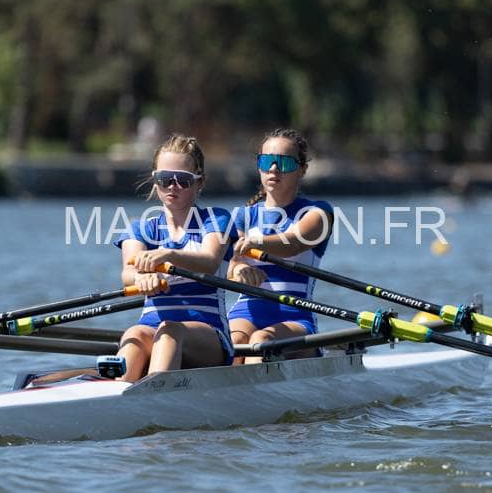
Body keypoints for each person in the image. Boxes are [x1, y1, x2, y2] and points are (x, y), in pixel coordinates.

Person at [113, 134, 237, 382]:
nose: (173, 186)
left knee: (169, 331)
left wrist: (169, 255)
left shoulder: (216, 219)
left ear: (200, 182)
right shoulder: (141, 228)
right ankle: (116, 395)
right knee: (134, 335)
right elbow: (128, 273)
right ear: (155, 180)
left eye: (183, 180)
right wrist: (141, 279)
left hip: (207, 334)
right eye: (165, 179)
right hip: (151, 326)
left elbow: (210, 261)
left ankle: (155, 396)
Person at [227, 128, 334, 364]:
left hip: (294, 316)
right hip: (245, 311)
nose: (274, 169)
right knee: (234, 343)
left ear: (302, 169)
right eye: (267, 162)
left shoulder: (318, 213)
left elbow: (293, 244)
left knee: (261, 340)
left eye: (284, 163)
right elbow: (230, 265)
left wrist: (257, 242)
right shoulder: (243, 216)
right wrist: (239, 269)